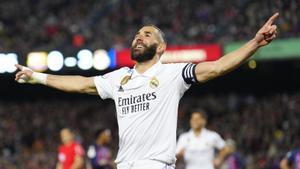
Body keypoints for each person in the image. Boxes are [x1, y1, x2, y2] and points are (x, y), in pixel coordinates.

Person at [15, 13, 279, 169]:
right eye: (138, 34)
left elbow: (219, 66)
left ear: (162, 48)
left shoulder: (173, 73)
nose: (139, 36)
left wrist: (255, 43)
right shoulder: (119, 78)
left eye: (148, 35)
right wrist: (36, 76)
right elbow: (81, 83)